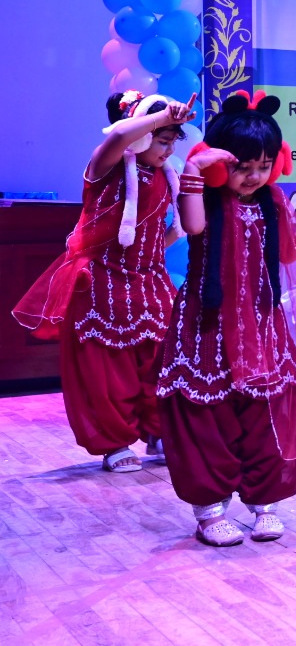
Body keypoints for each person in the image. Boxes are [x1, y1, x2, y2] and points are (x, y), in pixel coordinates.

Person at [159, 90, 296, 546]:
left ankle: (265, 503)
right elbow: (193, 227)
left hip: (260, 324)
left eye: (264, 166)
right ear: (220, 162)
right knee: (206, 415)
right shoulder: (204, 195)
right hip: (206, 325)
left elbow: (286, 253)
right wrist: (194, 171)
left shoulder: (271, 200)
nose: (254, 176)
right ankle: (209, 511)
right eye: (242, 166)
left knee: (266, 411)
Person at [13, 91, 193, 473]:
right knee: (109, 371)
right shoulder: (106, 166)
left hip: (150, 281)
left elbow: (164, 231)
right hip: (104, 284)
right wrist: (162, 117)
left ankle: (159, 431)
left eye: (173, 142)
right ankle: (115, 443)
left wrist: (149, 255)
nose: (169, 149)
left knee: (161, 361)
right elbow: (119, 137)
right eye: (163, 140)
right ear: (142, 136)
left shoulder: (166, 175)